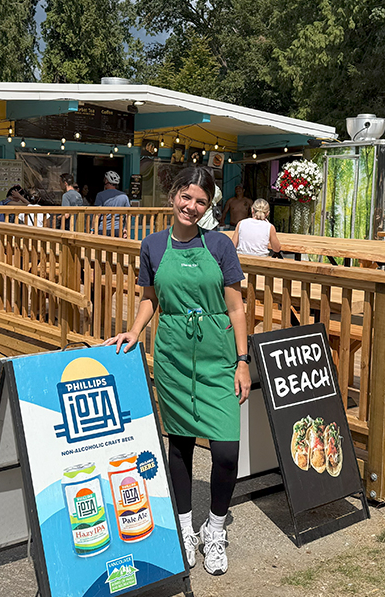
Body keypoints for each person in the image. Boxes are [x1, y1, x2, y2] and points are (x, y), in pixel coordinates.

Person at [105, 166, 250, 577]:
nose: (192, 206)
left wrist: (242, 361)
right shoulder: (151, 245)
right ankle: (185, 528)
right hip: (171, 352)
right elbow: (150, 299)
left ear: (208, 207)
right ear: (173, 197)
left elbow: (236, 307)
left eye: (201, 201)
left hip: (217, 356)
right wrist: (134, 331)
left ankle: (215, 528)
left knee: (225, 453)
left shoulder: (220, 245)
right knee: (180, 445)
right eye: (186, 197)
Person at [94, 170, 130, 237]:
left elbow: (97, 214)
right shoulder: (124, 196)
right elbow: (128, 215)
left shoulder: (100, 195)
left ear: (106, 181)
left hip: (103, 228)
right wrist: (126, 229)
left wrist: (93, 229)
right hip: (118, 228)